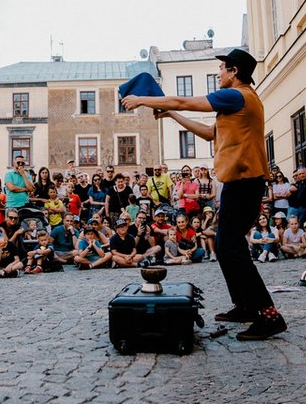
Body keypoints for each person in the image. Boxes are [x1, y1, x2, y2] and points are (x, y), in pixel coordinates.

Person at [123, 47, 287, 340]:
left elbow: (185, 100)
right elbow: (210, 133)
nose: (219, 74)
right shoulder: (238, 103)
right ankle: (246, 306)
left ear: (234, 71)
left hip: (244, 181)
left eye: (222, 69)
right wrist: (171, 115)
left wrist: (141, 100)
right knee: (225, 246)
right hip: (240, 181)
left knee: (231, 247)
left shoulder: (237, 95)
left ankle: (267, 314)